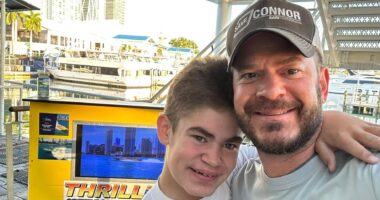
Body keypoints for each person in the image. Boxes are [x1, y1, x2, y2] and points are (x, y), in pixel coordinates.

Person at [143, 56, 380, 200]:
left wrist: (323, 122)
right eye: (200, 138)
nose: (214, 160)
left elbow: (283, 145)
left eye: (229, 144)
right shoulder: (229, 172)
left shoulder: (235, 168)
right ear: (166, 130)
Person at [226, 0, 380, 199]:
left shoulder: (371, 175)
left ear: (322, 85)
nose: (272, 92)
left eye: (291, 71)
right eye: (250, 75)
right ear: (233, 91)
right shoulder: (236, 182)